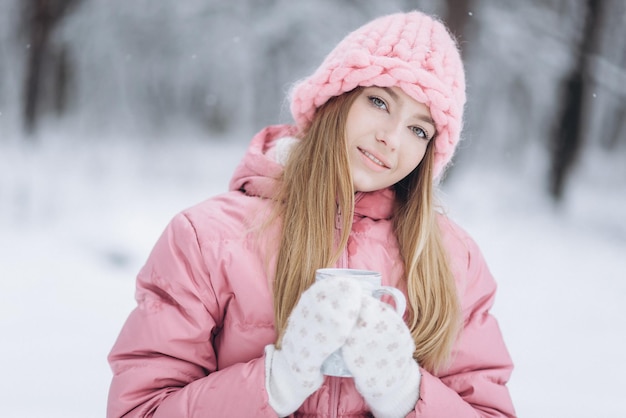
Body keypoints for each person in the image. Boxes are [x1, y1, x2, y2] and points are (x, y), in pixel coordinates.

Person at [107, 10, 516, 418]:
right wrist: (278, 380)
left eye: (419, 130)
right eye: (379, 102)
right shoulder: (205, 239)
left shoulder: (452, 260)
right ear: (334, 98)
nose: (390, 138)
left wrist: (406, 394)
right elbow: (140, 409)